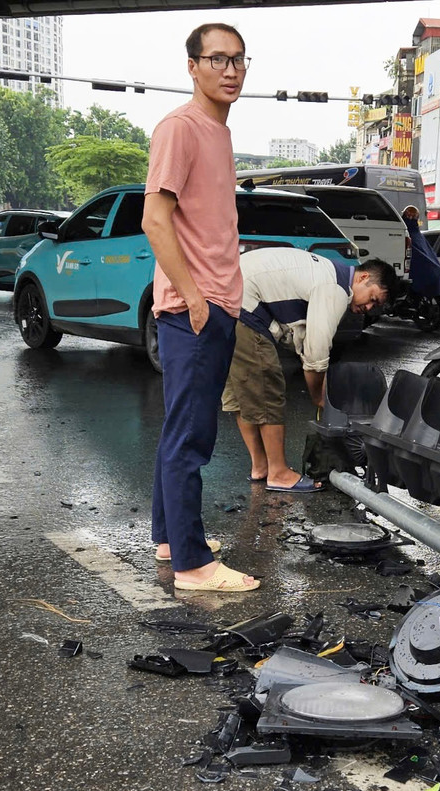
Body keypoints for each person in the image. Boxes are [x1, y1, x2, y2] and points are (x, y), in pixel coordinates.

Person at [142, 23, 258, 593]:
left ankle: (171, 540)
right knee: (191, 437)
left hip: (215, 303)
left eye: (238, 59)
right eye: (217, 59)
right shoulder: (181, 128)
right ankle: (193, 565)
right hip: (196, 307)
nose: (230, 70)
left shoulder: (218, 131)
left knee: (181, 429)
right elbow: (154, 219)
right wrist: (193, 297)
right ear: (192, 66)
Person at [222, 250, 395, 492]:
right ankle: (279, 473)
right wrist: (319, 398)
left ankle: (261, 466)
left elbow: (300, 336)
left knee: (242, 394)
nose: (368, 307)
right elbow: (316, 354)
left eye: (374, 306)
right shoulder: (335, 288)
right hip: (244, 307)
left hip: (223, 299)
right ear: (363, 277)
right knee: (267, 390)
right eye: (372, 299)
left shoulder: (326, 272)